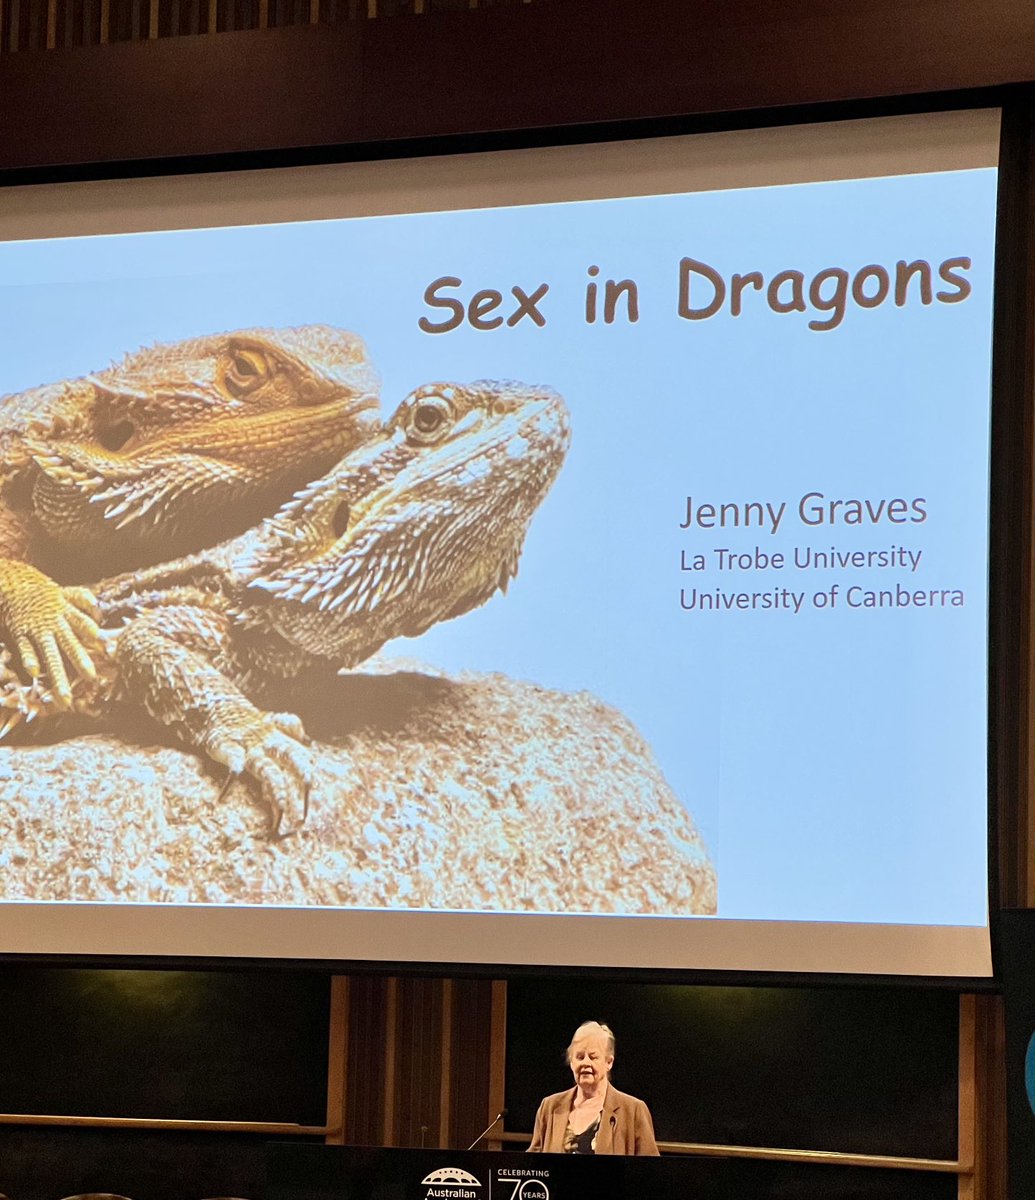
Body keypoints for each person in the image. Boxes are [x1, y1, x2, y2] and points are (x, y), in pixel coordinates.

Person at [526, 1020, 659, 1155]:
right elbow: (532, 1166)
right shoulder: (549, 1107)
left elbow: (649, 1170)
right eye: (579, 1057)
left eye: (593, 1057)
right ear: (571, 1063)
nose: (585, 1063)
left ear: (609, 1062)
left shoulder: (633, 1111)